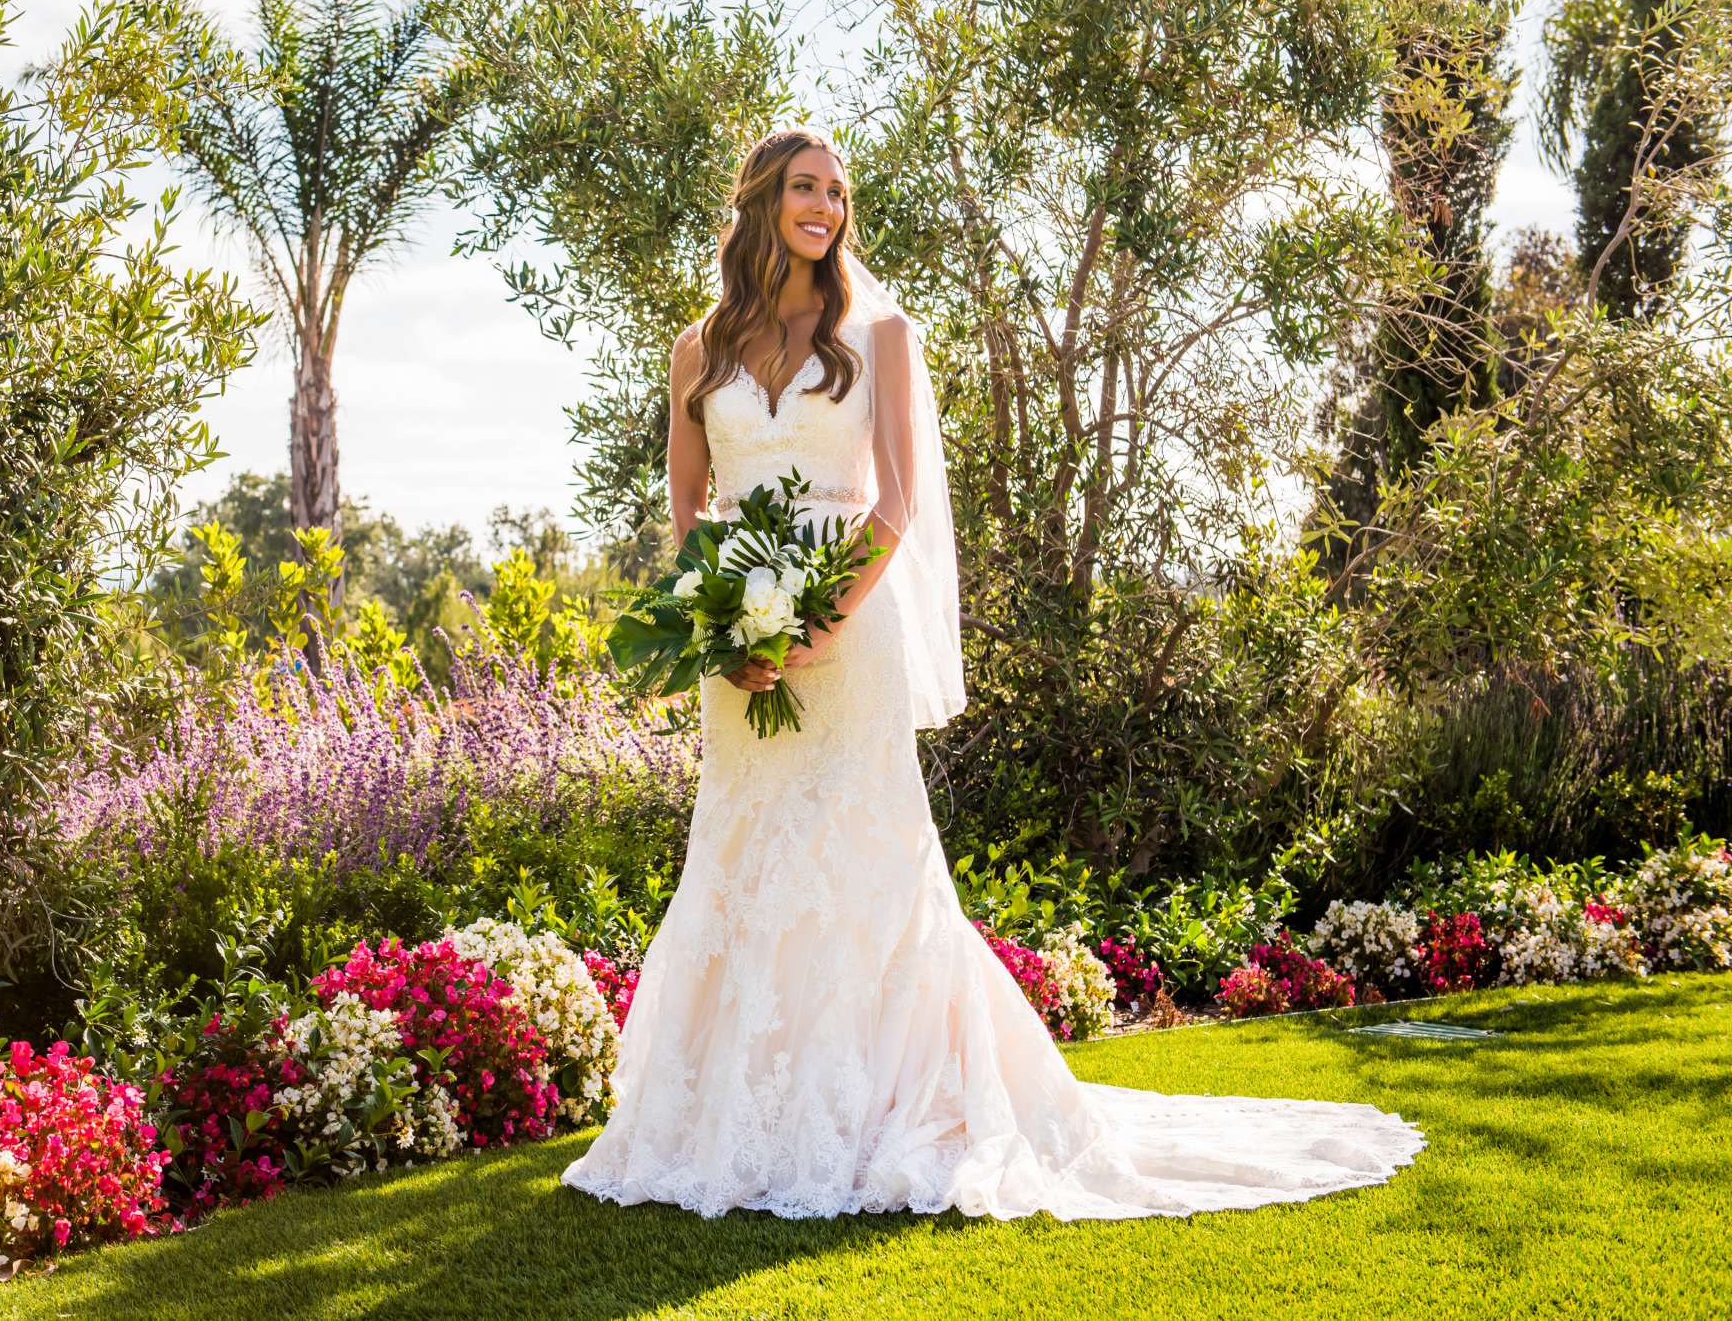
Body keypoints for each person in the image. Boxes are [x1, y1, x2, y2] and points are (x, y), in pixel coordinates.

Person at [556, 127, 1424, 1221]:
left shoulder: (880, 332)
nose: (824, 207)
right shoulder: (699, 348)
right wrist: (720, 622)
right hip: (738, 645)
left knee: (865, 863)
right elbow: (690, 503)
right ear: (762, 200)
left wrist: (816, 625)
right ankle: (737, 1119)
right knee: (741, 856)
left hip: (847, 628)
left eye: (837, 191)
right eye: (805, 188)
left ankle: (879, 1110)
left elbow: (895, 506)